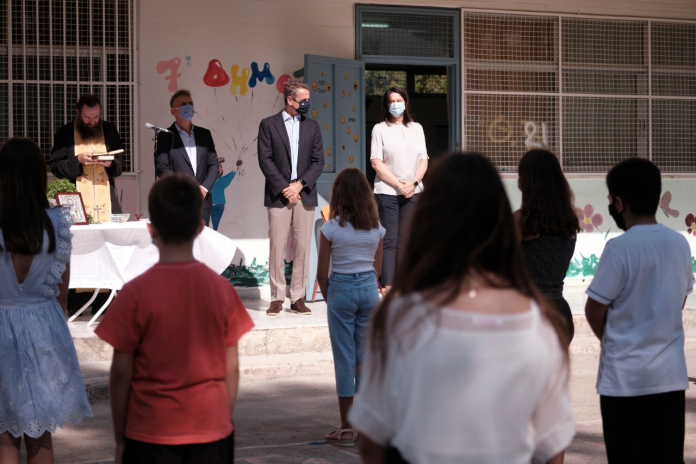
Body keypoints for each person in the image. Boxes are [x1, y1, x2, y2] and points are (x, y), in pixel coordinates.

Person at [351, 153, 574, 464]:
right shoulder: (541, 329)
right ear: (498, 225)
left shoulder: (398, 317)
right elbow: (552, 448)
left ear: (429, 219)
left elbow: (372, 442)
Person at [94, 173, 254, 464]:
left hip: (150, 432)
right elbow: (231, 369)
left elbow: (120, 374)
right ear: (200, 228)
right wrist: (221, 420)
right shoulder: (222, 290)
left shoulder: (134, 293)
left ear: (151, 230)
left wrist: (120, 439)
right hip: (211, 429)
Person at [585, 158, 693, 463]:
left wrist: (615, 340)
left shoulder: (619, 248)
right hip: (670, 379)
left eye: (610, 200)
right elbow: (680, 300)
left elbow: (594, 310)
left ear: (619, 203)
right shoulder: (680, 243)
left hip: (624, 384)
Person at [0, 138, 92, 464]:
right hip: (43, 329)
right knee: (40, 437)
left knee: (5, 438)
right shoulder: (55, 224)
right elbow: (62, 294)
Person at [316, 168, 385, 447]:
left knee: (344, 359)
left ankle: (346, 428)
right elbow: (377, 269)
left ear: (339, 195)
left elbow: (321, 272)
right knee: (365, 359)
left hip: (341, 289)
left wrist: (330, 297)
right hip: (368, 289)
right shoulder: (376, 228)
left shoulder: (331, 228)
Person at [257, 80, 325, 316]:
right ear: (290, 99)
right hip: (279, 194)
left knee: (303, 247)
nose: (307, 103)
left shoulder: (312, 126)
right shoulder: (268, 124)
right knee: (277, 245)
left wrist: (299, 185)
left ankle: (297, 298)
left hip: (304, 193)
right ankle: (277, 298)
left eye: (308, 100)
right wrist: (285, 188)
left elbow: (319, 161)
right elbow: (265, 159)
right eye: (303, 100)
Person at [514, 149, 580, 342]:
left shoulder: (520, 221)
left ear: (527, 182)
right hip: (560, 312)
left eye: (520, 175)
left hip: (528, 312)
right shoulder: (569, 220)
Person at [370, 87, 428, 293]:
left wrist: (413, 183)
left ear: (406, 102)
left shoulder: (417, 128)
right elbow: (376, 162)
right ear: (386, 105)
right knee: (389, 240)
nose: (395, 104)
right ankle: (388, 286)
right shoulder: (380, 129)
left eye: (399, 100)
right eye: (391, 101)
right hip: (387, 192)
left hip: (413, 192)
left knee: (405, 241)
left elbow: (424, 160)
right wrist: (398, 184)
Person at [50, 94, 125, 221]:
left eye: (96, 117)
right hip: (74, 200)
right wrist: (78, 160)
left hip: (108, 198)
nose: (92, 121)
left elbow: (120, 166)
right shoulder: (65, 132)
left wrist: (110, 164)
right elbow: (55, 167)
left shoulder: (109, 130)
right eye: (87, 117)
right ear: (78, 112)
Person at [155, 89, 220, 226]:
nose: (188, 107)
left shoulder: (204, 134)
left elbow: (214, 165)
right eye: (183, 104)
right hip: (177, 201)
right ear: (173, 111)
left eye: (190, 103)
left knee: (202, 239)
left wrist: (203, 189)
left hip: (202, 202)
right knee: (178, 239)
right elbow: (162, 168)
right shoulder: (165, 136)